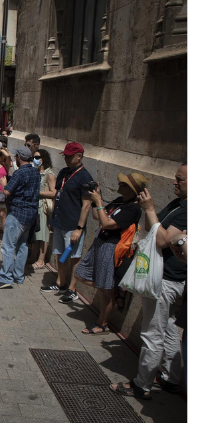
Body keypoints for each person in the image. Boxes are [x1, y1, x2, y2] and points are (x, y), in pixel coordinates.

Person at [111, 164, 187, 400]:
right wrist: (150, 211)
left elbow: (163, 240)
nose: (174, 182)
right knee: (170, 328)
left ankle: (141, 385)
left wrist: (150, 208)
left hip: (165, 280)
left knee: (152, 334)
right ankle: (171, 378)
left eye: (180, 179)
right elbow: (151, 227)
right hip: (165, 278)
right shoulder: (177, 204)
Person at [74, 173, 145, 335]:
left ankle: (102, 324)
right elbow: (97, 216)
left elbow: (106, 223)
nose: (119, 185)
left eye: (123, 184)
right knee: (80, 274)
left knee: (105, 290)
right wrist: (95, 200)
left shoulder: (133, 209)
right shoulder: (119, 201)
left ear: (132, 190)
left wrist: (99, 201)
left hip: (112, 248)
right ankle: (114, 290)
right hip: (100, 243)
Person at [44, 142, 95, 303]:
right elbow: (57, 194)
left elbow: (86, 205)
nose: (66, 158)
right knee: (60, 253)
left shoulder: (85, 177)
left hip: (73, 224)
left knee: (74, 256)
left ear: (79, 156)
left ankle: (72, 289)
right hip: (59, 220)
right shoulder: (64, 172)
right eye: (65, 156)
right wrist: (53, 218)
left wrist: (79, 228)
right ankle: (61, 282)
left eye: (69, 156)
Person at [0, 148, 42, 289]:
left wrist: (3, 184)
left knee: (8, 246)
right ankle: (19, 276)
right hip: (30, 214)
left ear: (19, 157)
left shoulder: (19, 173)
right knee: (22, 245)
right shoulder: (35, 172)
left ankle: (6, 277)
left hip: (17, 213)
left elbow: (7, 191)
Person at [31, 149, 57, 270]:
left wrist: (38, 193)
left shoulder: (49, 174)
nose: (35, 159)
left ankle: (41, 260)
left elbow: (54, 192)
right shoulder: (36, 171)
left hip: (43, 207)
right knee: (35, 233)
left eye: (37, 157)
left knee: (43, 234)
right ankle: (33, 256)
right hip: (35, 205)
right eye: (34, 157)